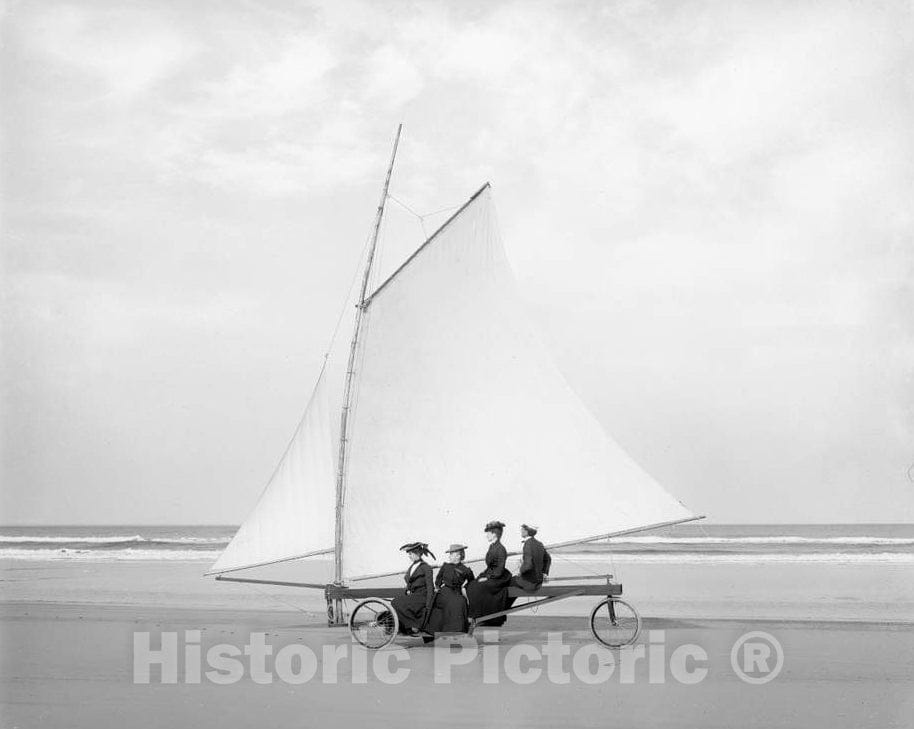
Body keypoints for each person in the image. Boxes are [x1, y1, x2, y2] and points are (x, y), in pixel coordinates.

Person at [466, 520, 512, 627]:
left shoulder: (501, 549)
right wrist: (482, 576)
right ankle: (475, 614)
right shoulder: (492, 546)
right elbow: (489, 566)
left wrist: (487, 578)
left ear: (494, 534)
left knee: (478, 587)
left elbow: (499, 570)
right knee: (471, 584)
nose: (486, 535)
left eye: (488, 533)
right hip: (491, 574)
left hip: (499, 577)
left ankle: (481, 616)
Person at [426, 544, 475, 635]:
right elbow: (438, 579)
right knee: (452, 602)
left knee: (460, 601)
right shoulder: (445, 566)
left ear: (459, 555)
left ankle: (457, 631)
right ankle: (445, 631)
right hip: (444, 591)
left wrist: (465, 588)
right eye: (450, 554)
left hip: (457, 592)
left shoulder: (466, 570)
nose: (450, 556)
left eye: (452, 554)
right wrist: (437, 587)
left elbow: (472, 582)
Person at [390, 541, 436, 634]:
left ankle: (414, 625)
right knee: (396, 602)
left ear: (418, 553)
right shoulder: (413, 566)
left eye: (411, 554)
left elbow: (430, 587)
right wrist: (407, 590)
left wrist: (428, 604)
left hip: (423, 596)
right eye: (409, 554)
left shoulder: (426, 567)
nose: (409, 556)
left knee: (396, 602)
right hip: (414, 595)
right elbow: (411, 582)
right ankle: (409, 626)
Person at [510, 523, 552, 592]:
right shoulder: (539, 543)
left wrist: (520, 571)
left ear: (527, 531)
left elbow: (528, 565)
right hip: (538, 583)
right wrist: (544, 573)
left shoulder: (528, 544)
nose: (521, 531)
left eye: (522, 529)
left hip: (529, 583)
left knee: (504, 583)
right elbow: (548, 559)